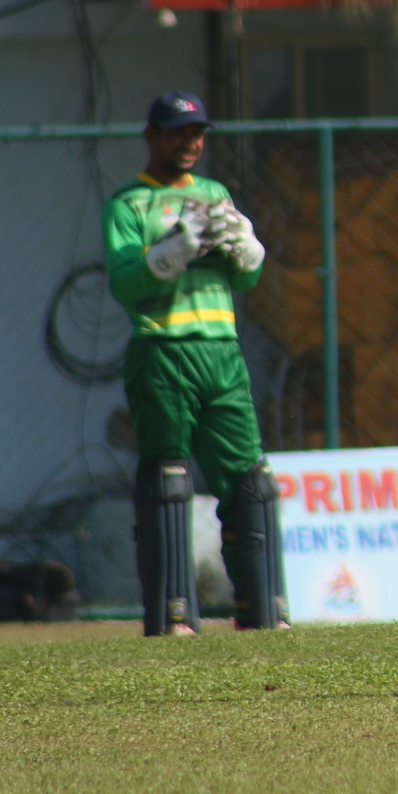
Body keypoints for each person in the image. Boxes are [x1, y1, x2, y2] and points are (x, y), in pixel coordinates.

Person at [103, 90, 288, 635]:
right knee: (168, 478)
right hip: (163, 350)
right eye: (178, 133)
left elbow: (246, 277)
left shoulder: (214, 193)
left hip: (221, 350)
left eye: (197, 133)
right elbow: (125, 284)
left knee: (250, 480)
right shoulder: (128, 204)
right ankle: (174, 615)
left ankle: (263, 611)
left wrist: (248, 250)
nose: (190, 143)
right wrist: (173, 250)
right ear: (152, 137)